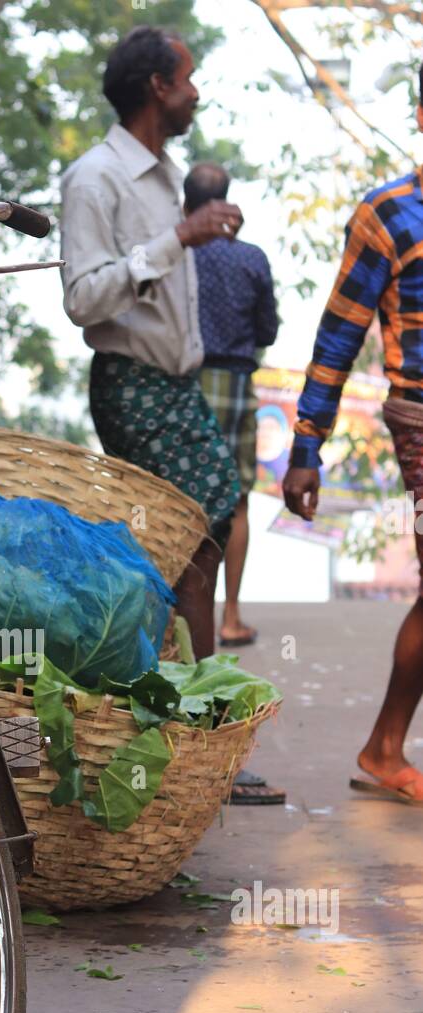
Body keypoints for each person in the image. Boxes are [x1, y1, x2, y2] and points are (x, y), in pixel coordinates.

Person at [59, 24, 243, 660]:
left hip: (175, 385)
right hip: (133, 384)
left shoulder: (166, 176)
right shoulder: (95, 177)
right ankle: (186, 706)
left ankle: (189, 703)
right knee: (189, 538)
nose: (196, 93)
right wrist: (178, 240)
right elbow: (82, 300)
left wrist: (187, 236)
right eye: (187, 79)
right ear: (158, 86)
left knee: (200, 534)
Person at [285, 63, 423, 806]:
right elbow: (339, 335)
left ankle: (383, 746)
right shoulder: (389, 214)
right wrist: (307, 446)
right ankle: (384, 747)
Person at [184, 161, 279, 648]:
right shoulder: (252, 259)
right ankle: (231, 617)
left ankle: (181, 620)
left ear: (186, 202)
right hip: (239, 382)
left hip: (189, 381)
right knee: (236, 500)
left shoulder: (179, 255)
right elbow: (267, 330)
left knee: (186, 499)